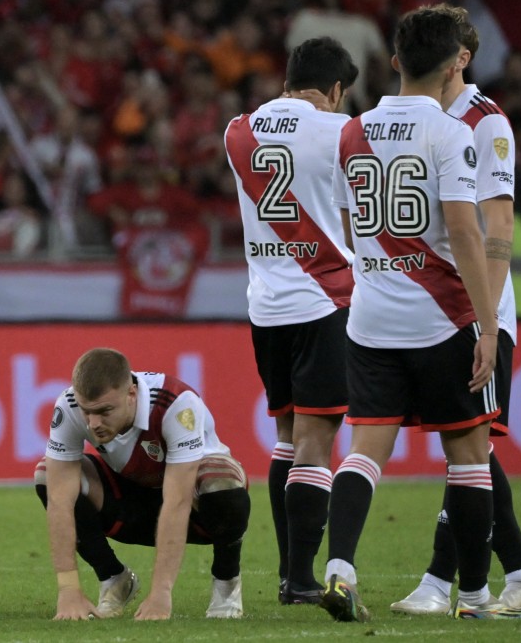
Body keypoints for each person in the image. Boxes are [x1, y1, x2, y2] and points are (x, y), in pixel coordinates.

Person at [320, 6, 521, 622]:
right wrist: (488, 326)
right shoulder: (449, 132)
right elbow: (467, 232)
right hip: (442, 318)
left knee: (364, 452)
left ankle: (338, 568)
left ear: (394, 62)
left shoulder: (351, 131)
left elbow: (351, 222)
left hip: (370, 317)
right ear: (452, 66)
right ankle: (475, 596)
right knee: (468, 459)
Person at [391, 5, 521, 615]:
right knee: (470, 449)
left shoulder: (486, 123)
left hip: (476, 309)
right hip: (431, 307)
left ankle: (448, 583)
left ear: (464, 59)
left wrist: (484, 316)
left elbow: (499, 222)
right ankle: (518, 579)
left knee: (471, 446)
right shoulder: (420, 119)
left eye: (458, 51)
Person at [223, 37, 357, 605]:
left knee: (285, 437)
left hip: (265, 308)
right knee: (317, 440)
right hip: (325, 301)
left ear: (286, 82)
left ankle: (287, 574)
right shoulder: (343, 130)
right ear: (333, 90)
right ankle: (301, 578)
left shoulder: (237, 131)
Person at [37, 348, 250, 621]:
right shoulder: (68, 406)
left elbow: (177, 501)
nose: (94, 424)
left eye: (105, 411)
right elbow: (59, 501)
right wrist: (68, 590)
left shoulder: (176, 404)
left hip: (195, 513)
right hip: (132, 504)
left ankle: (226, 583)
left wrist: (161, 593)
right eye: (87, 413)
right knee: (47, 475)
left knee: (221, 479)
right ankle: (114, 579)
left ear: (131, 395)